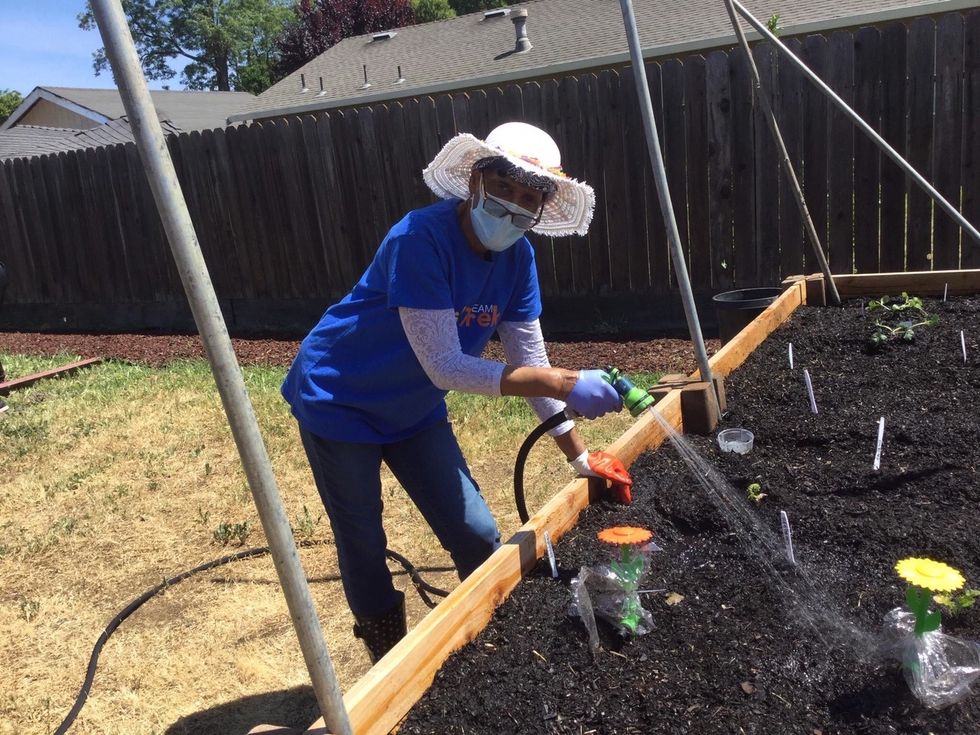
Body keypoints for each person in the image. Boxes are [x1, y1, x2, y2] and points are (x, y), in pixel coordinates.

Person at [282, 122, 633, 664]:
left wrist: (579, 454)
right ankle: (390, 664)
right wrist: (567, 382)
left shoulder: (519, 261)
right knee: (364, 542)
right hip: (341, 397)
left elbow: (528, 361)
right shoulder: (419, 239)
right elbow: (446, 366)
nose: (514, 206)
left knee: (474, 531)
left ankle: (492, 655)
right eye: (505, 189)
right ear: (476, 181)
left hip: (415, 408)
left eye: (529, 198)